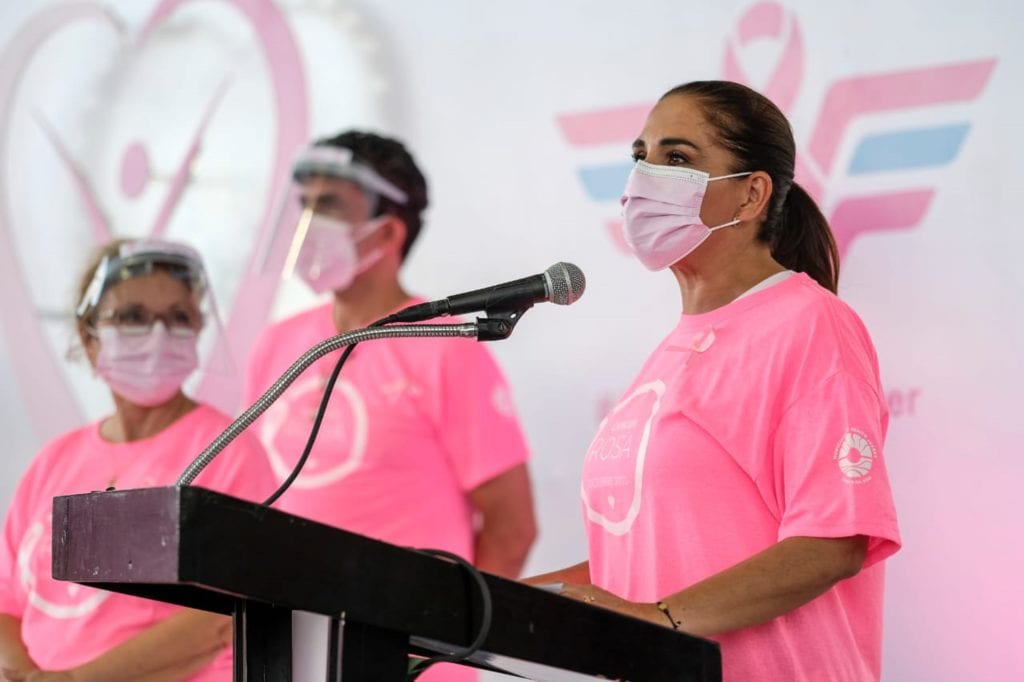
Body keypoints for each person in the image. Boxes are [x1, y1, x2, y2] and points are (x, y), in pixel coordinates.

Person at [526, 81, 901, 681]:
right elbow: (638, 575)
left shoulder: (811, 324)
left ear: (751, 194)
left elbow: (833, 541)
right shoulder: (669, 353)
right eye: (640, 156)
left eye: (676, 157)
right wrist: (474, 602)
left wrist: (657, 620)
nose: (645, 177)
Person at [243, 131, 537, 677]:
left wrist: (443, 647)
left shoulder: (445, 346)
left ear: (388, 230)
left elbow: (512, 526)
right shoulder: (276, 344)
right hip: (292, 654)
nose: (307, 221)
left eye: (329, 205)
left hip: (410, 663)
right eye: (304, 204)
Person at [0, 238, 276, 681]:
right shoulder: (53, 460)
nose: (158, 335)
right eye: (132, 316)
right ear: (89, 337)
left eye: (178, 317)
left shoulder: (227, 452)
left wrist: (74, 681)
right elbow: (7, 603)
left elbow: (219, 617)